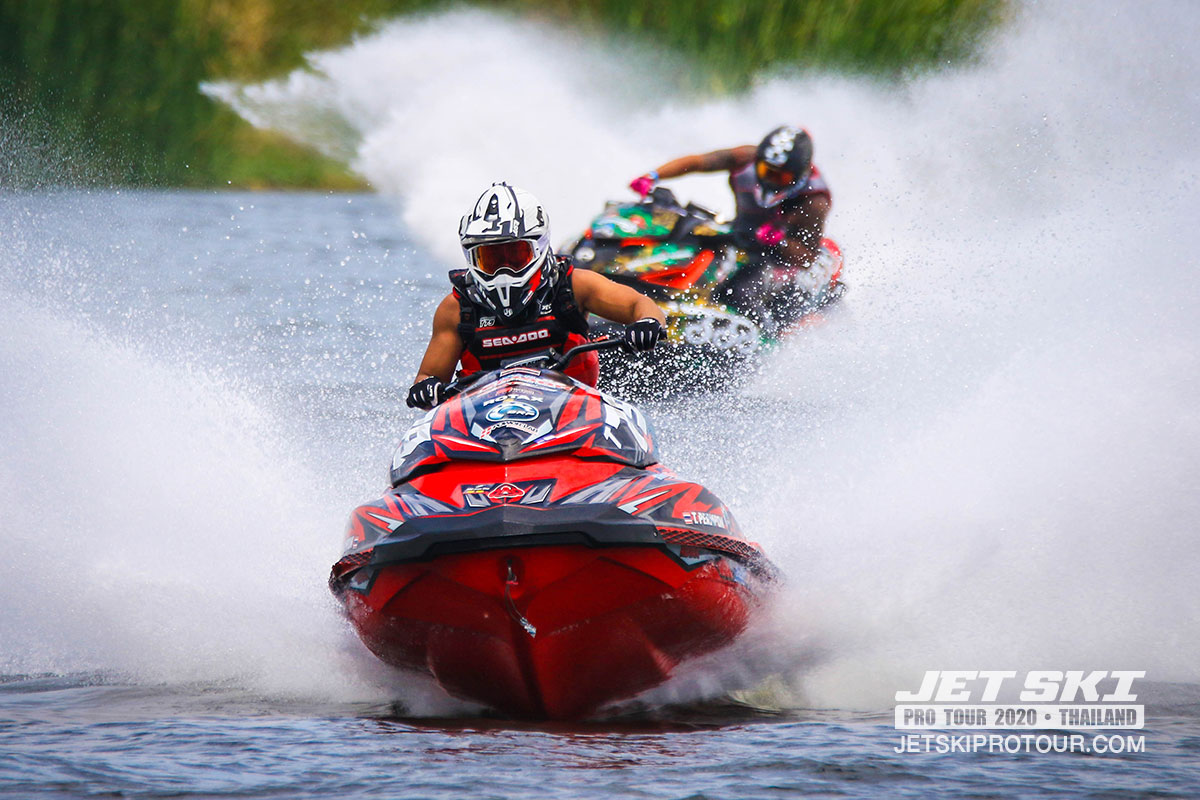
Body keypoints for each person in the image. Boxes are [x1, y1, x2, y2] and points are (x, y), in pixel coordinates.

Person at [406, 182, 667, 410]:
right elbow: (428, 377)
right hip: (484, 426)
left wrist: (647, 323)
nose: (503, 270)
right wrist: (425, 389)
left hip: (573, 418)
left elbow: (639, 304)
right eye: (490, 259)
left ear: (539, 246)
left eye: (514, 255)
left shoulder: (574, 285)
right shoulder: (456, 308)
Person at [628, 125, 832, 326]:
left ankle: (765, 335)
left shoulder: (814, 202)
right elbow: (698, 162)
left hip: (776, 260)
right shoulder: (746, 157)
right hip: (741, 235)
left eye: (780, 176)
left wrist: (779, 240)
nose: (770, 180)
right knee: (686, 238)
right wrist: (654, 176)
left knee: (739, 294)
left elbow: (806, 257)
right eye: (765, 171)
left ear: (799, 174)